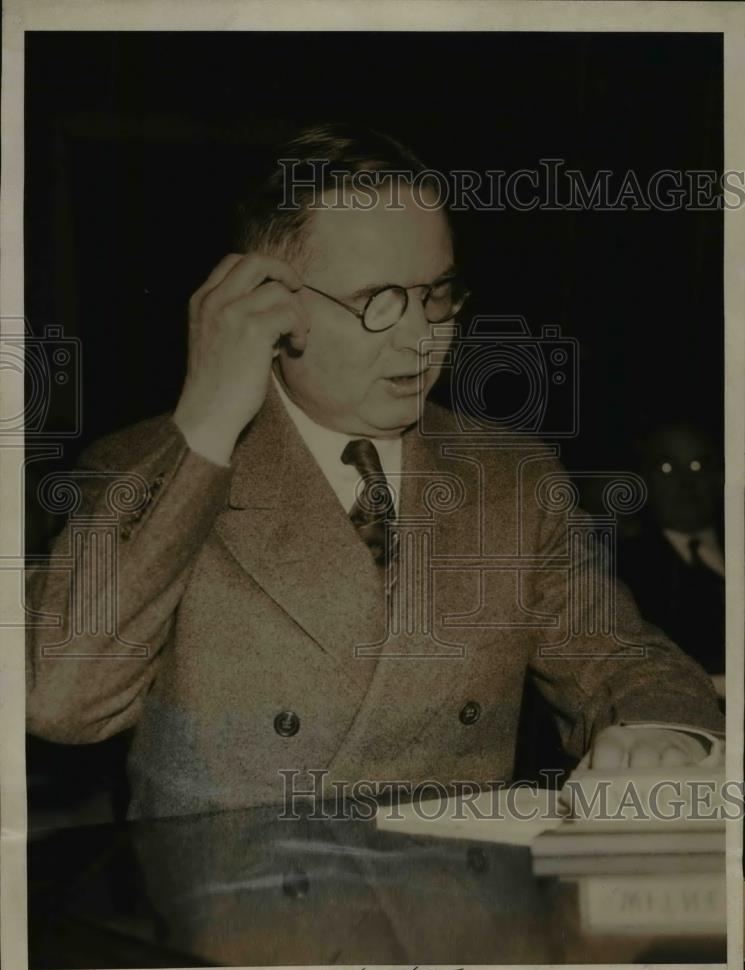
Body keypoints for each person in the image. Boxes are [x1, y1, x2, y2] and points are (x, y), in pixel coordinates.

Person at [26, 125, 724, 820]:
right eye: (377, 301)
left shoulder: (511, 477)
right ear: (267, 304)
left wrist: (660, 732)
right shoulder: (146, 473)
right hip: (230, 918)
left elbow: (621, 657)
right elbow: (60, 699)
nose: (423, 335)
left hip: (459, 905)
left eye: (437, 293)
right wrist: (206, 423)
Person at [618, 420, 725, 694]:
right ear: (643, 479)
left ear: (721, 475)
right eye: (666, 468)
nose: (686, 482)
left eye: (699, 466)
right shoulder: (620, 569)